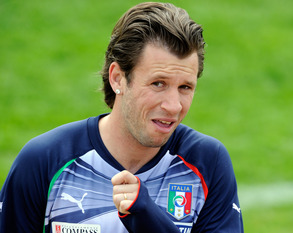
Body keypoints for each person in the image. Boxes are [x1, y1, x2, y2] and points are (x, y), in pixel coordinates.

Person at [0, 2, 243, 233]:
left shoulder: (207, 163)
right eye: (158, 84)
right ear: (118, 78)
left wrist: (148, 218)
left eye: (185, 87)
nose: (173, 106)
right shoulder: (44, 161)